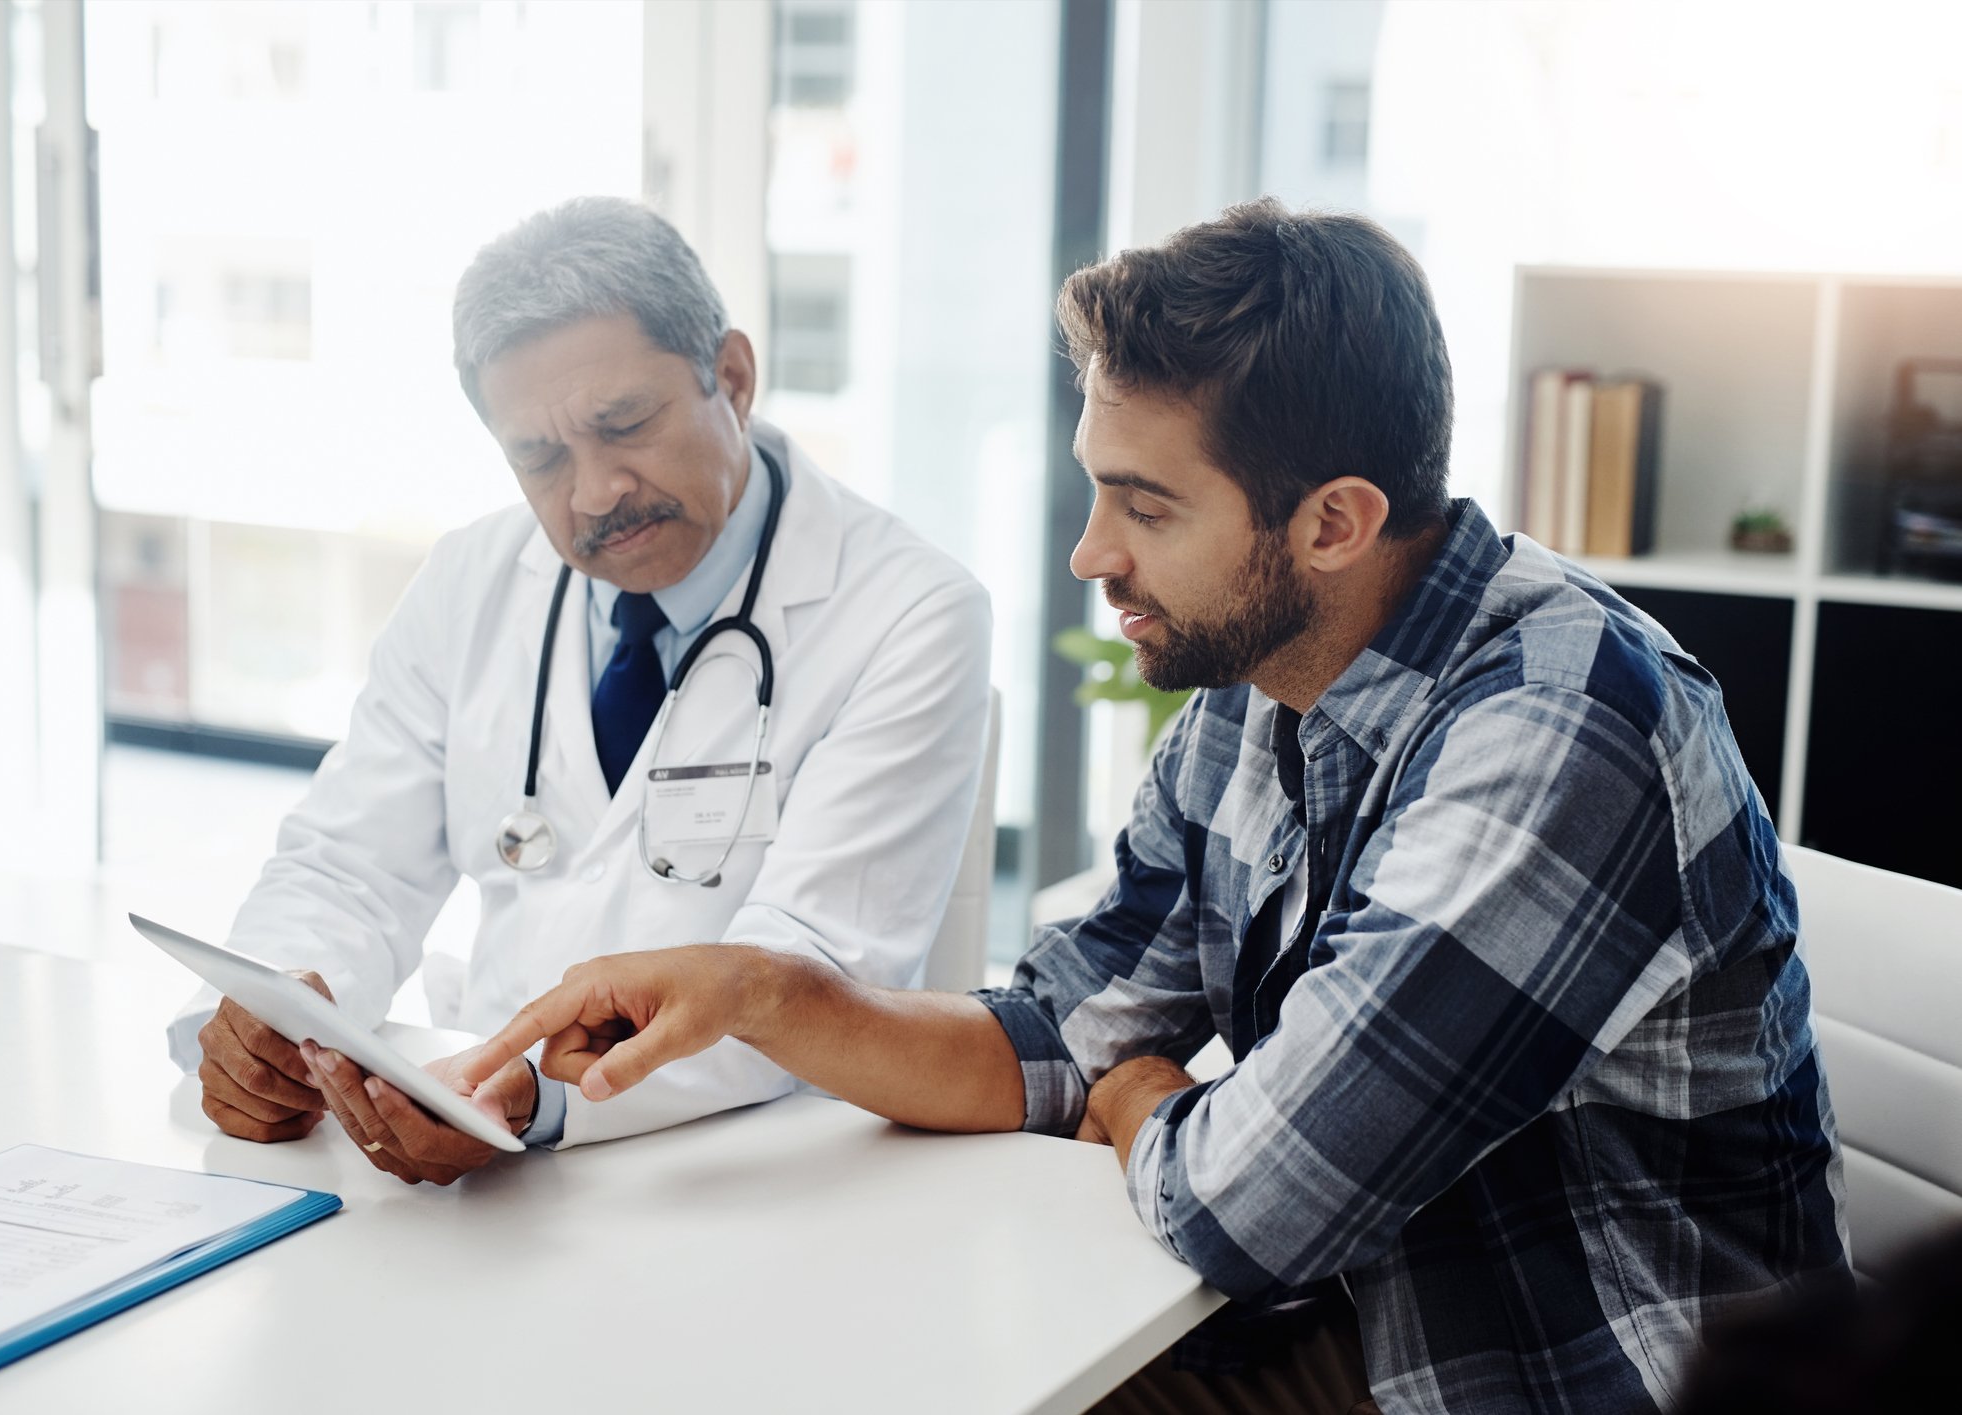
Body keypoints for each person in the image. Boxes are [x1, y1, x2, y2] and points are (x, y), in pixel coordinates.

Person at [456, 200, 1849, 1413]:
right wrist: (759, 989)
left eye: (1144, 504)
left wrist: (1137, 1097)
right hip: (1369, 1336)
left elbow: (1249, 1204)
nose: (1088, 552)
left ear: (1331, 521)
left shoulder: (1558, 729)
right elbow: (1056, 1034)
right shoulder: (1265, 678)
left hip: (1563, 1378)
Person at [168, 198, 993, 1183]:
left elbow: (805, 979)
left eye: (624, 425)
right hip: (482, 1153)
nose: (595, 491)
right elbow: (349, 868)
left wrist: (550, 1099)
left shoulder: (909, 610)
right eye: (541, 457)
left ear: (731, 378)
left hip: (758, 1178)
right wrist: (278, 1026)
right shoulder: (470, 580)